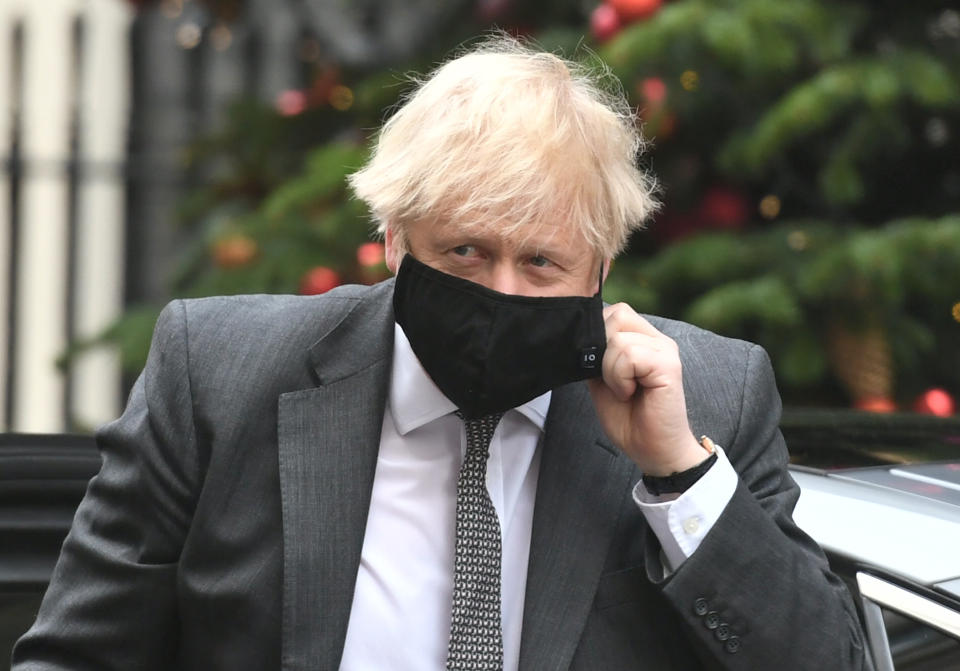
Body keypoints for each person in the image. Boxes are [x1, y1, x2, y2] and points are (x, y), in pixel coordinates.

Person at [13, 36, 870, 670]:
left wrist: (677, 474)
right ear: (394, 239)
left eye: (541, 262)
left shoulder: (711, 398)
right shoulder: (221, 373)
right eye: (465, 252)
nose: (501, 290)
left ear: (601, 268)